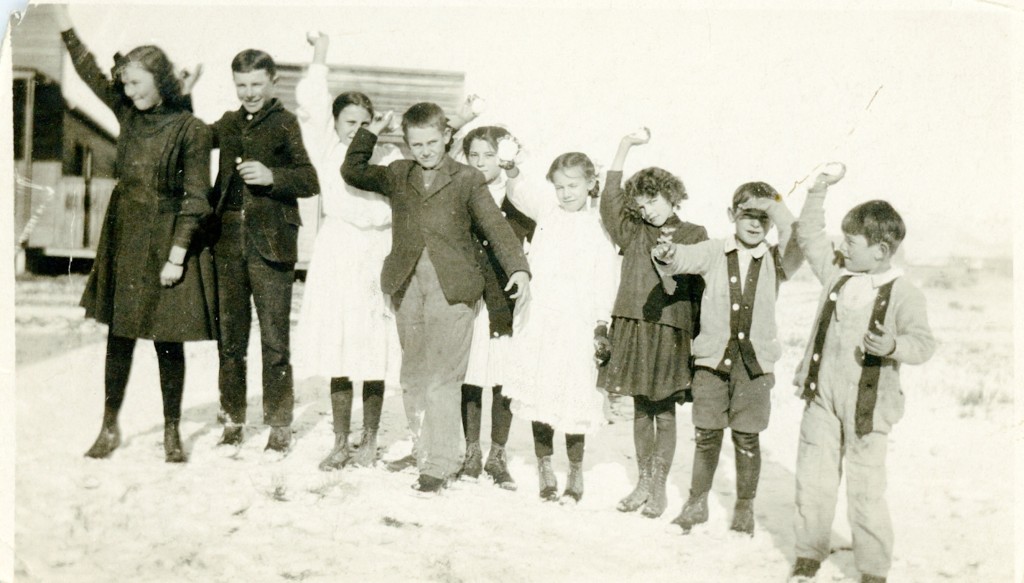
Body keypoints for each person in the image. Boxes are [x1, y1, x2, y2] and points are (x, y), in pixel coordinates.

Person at [55, 6, 217, 463]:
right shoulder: (128, 113)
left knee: (167, 340)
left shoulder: (192, 129)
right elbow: (89, 73)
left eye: (135, 83)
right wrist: (66, 27)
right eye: (124, 84)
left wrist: (177, 254)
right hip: (125, 233)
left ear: (161, 80)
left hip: (168, 239)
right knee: (120, 336)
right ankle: (108, 428)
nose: (127, 91)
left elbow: (197, 198)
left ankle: (171, 432)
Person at [342, 103, 531, 493]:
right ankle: (425, 449)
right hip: (407, 285)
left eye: (432, 142)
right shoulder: (398, 173)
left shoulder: (467, 178)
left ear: (447, 136)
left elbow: (496, 226)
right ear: (408, 145)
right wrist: (371, 132)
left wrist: (518, 268)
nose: (425, 151)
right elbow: (353, 170)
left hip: (453, 288)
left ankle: (440, 463)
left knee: (444, 377)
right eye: (417, 144)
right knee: (413, 376)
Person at [787, 165, 935, 583]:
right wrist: (817, 188)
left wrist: (893, 347)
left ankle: (872, 569)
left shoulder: (904, 292)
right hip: (822, 398)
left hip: (869, 409)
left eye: (851, 242)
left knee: (866, 493)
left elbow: (923, 343)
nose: (842, 247)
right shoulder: (838, 273)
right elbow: (810, 236)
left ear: (881, 251)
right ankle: (807, 553)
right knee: (813, 483)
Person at [184, 49, 320, 453]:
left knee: (275, 340)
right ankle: (233, 419)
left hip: (272, 245)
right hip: (227, 243)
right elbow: (194, 137)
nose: (249, 93)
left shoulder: (285, 123)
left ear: (273, 82)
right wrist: (184, 95)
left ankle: (279, 423)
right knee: (231, 340)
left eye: (256, 84)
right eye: (241, 85)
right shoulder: (227, 123)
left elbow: (310, 179)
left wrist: (272, 176)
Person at [652, 176, 803, 534]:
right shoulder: (714, 250)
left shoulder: (777, 260)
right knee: (706, 435)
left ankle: (744, 507)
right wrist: (668, 254)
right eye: (747, 214)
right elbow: (681, 259)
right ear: (730, 215)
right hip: (712, 364)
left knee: (747, 438)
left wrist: (775, 206)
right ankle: (696, 503)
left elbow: (797, 238)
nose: (755, 224)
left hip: (755, 367)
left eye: (763, 218)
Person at [291, 32, 403, 471]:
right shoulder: (326, 150)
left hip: (378, 251)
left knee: (374, 349)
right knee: (340, 350)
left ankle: (370, 438)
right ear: (335, 125)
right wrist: (320, 53)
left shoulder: (390, 155)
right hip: (338, 251)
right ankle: (340, 440)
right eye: (348, 122)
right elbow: (312, 102)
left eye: (364, 122)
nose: (356, 130)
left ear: (376, 123)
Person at [599, 129, 706, 518]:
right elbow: (610, 201)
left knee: (664, 410)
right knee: (641, 408)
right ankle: (642, 481)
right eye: (641, 205)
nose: (649, 211)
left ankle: (659, 486)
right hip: (633, 323)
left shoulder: (695, 234)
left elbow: (698, 293)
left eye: (654, 201)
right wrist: (623, 145)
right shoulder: (632, 231)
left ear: (672, 196)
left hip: (670, 329)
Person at [503, 151, 618, 503]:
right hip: (541, 318)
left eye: (574, 186)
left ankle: (576, 470)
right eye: (560, 186)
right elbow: (519, 191)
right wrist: (512, 168)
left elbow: (605, 277)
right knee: (542, 391)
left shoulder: (599, 224)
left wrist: (601, 323)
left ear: (590, 184)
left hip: (577, 323)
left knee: (573, 394)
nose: (566, 193)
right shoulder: (548, 214)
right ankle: (545, 466)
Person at [451, 125, 535, 490]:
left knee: (503, 373)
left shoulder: (518, 197)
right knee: (471, 374)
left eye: (489, 155)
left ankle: (497, 454)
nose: (482, 162)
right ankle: (471, 450)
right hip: (471, 295)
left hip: (504, 297)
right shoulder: (460, 193)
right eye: (475, 156)